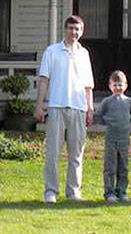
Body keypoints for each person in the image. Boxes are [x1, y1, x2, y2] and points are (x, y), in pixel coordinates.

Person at [34, 15, 94, 203]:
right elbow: (44, 80)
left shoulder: (84, 54)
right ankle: (51, 191)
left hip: (79, 108)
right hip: (57, 106)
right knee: (53, 152)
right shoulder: (52, 52)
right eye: (70, 28)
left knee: (76, 153)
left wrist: (90, 108)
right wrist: (39, 105)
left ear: (81, 31)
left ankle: (73, 191)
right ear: (65, 30)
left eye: (77, 29)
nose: (73, 32)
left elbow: (88, 86)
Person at [94, 70, 131, 202]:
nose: (117, 88)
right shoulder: (107, 102)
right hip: (111, 138)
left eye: (120, 85)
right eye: (115, 85)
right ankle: (109, 192)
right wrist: (107, 122)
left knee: (123, 166)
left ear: (125, 86)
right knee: (110, 166)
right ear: (110, 86)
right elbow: (98, 115)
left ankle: (122, 191)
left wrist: (127, 124)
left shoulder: (129, 102)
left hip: (124, 139)